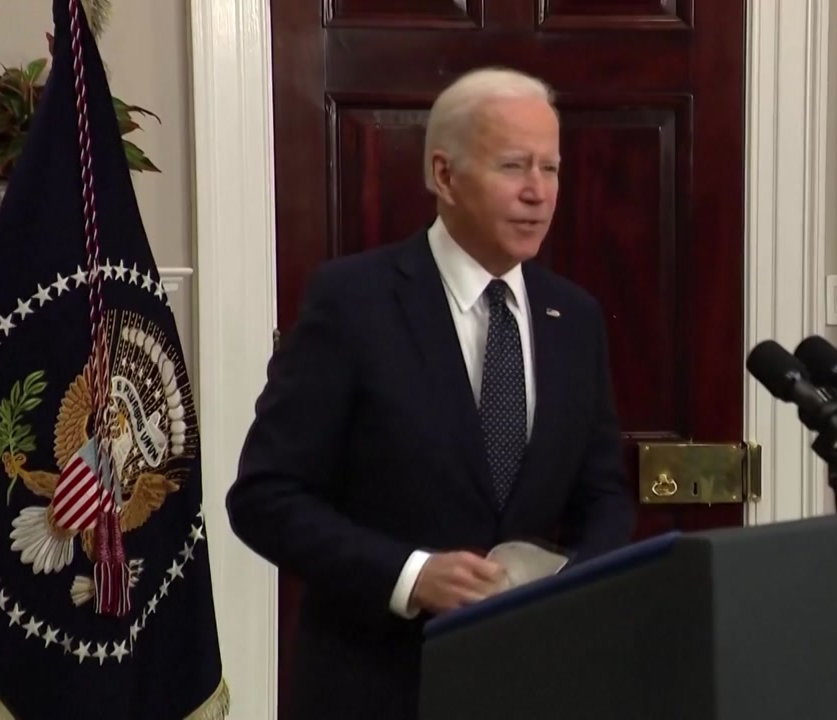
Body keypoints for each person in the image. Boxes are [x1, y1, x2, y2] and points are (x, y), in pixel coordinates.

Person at [225, 66, 637, 719]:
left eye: (551, 169)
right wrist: (411, 575)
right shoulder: (352, 303)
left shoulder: (575, 318)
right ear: (444, 176)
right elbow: (265, 497)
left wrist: (580, 585)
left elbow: (605, 495)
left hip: (535, 685)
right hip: (378, 687)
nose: (538, 192)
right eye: (513, 166)